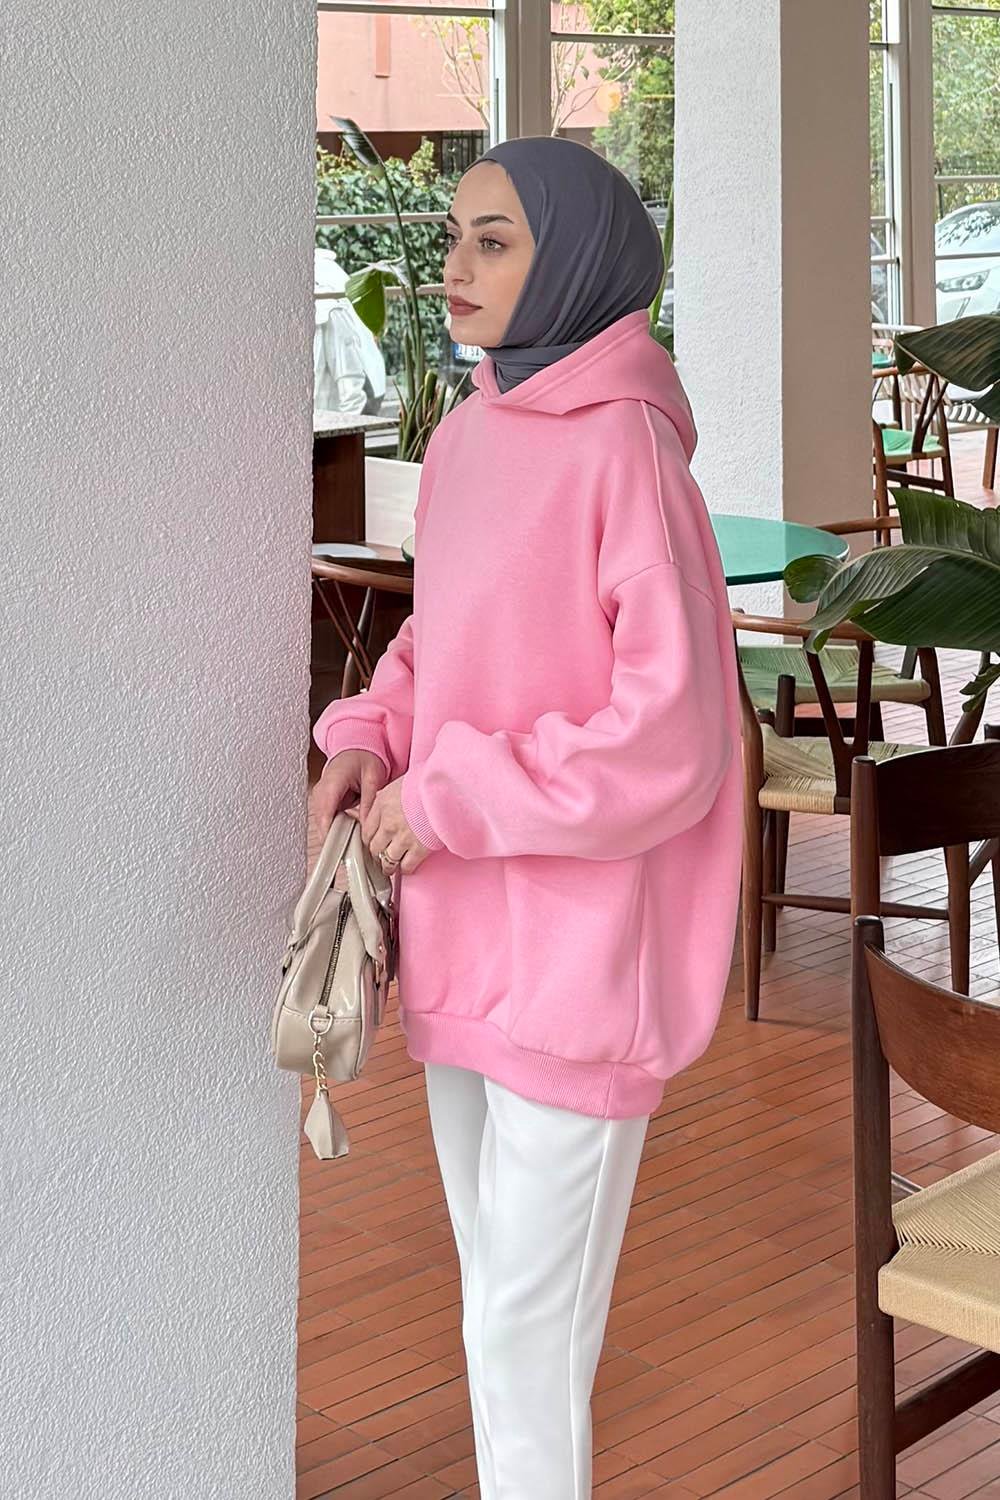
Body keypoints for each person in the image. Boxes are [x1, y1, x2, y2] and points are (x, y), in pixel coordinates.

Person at [308, 135, 743, 1500]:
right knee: (500, 1306)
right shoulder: (468, 438)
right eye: (455, 236)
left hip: (580, 958)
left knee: (522, 1330)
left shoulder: (630, 457)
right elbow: (439, 639)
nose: (455, 265)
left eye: (494, 241)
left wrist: (452, 795)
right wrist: (369, 739)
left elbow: (671, 737)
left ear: (579, 262)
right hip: (460, 935)